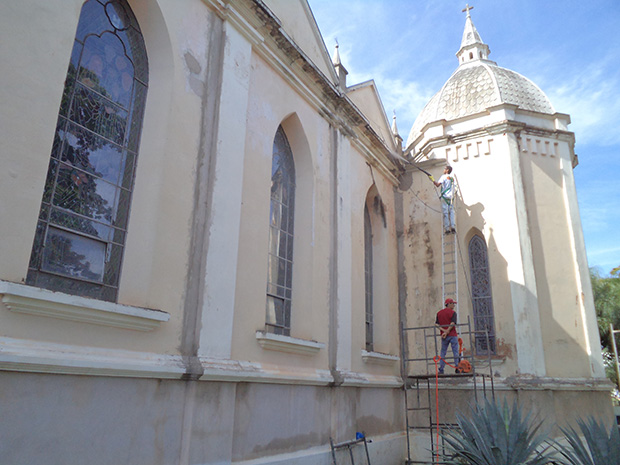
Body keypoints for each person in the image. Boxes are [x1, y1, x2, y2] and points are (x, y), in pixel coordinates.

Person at [435, 298, 461, 374]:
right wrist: (447, 331)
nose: (454, 305)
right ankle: (457, 367)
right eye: (452, 303)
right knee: (455, 351)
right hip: (452, 335)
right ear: (448, 304)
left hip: (444, 336)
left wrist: (444, 331)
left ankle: (441, 369)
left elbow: (436, 324)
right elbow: (452, 323)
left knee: (443, 352)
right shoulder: (453, 313)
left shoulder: (439, 313)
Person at [433, 166, 455, 234]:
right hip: (451, 198)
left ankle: (447, 228)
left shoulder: (443, 177)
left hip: (445, 197)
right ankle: (453, 226)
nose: (443, 170)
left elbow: (437, 185)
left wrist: (432, 180)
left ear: (447, 170)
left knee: (445, 212)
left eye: (444, 169)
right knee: (451, 212)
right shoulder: (452, 178)